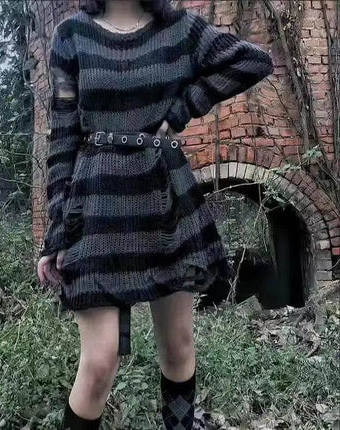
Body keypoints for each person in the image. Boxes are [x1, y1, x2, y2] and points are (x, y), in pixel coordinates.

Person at [37, 0, 274, 429]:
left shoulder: (180, 29)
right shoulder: (72, 35)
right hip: (96, 206)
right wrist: (56, 231)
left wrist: (183, 108)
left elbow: (252, 61)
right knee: (100, 361)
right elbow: (63, 136)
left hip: (163, 198)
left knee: (178, 346)